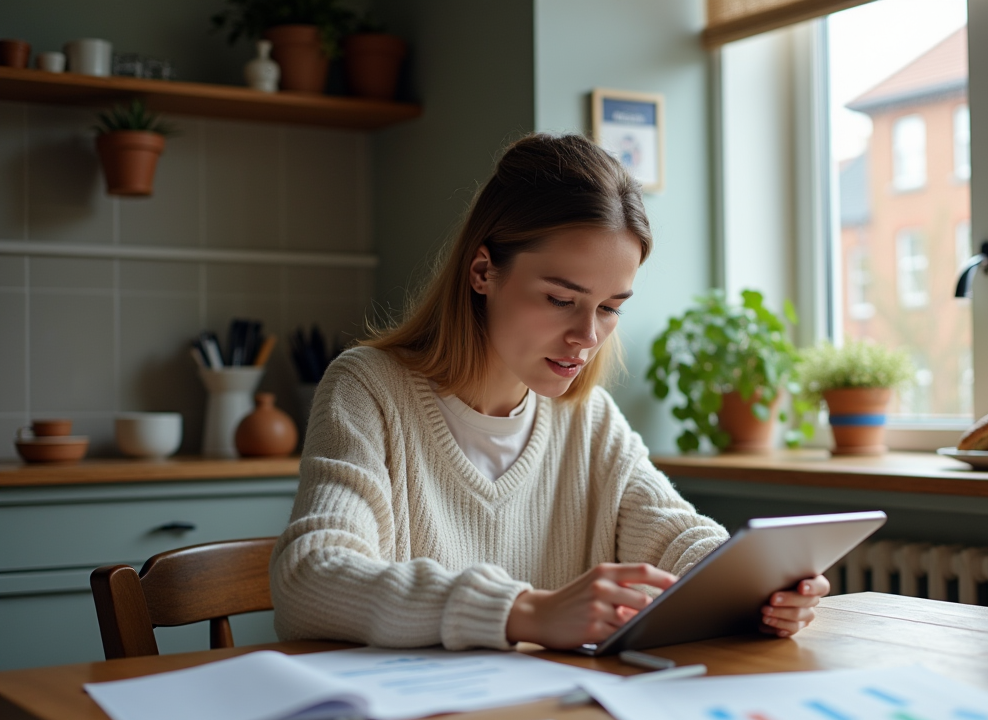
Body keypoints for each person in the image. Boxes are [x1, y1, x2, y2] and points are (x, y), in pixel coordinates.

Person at [270, 132, 830, 651]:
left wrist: (751, 585)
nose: (587, 336)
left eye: (610, 308)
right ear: (483, 271)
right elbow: (310, 576)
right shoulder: (367, 389)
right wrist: (523, 611)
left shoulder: (587, 417)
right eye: (562, 299)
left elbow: (669, 532)